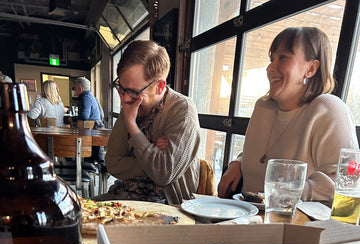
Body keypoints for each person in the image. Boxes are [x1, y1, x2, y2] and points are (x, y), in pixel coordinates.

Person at [218, 27, 359, 204]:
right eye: (272, 59)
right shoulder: (263, 107)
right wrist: (238, 162)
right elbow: (262, 154)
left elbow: (348, 180)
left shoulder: (326, 108)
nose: (269, 68)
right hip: (245, 219)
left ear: (311, 68)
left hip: (293, 225)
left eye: (283, 57)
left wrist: (282, 194)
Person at [104, 40, 201, 204]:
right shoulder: (130, 103)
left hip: (168, 207)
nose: (125, 98)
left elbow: (163, 174)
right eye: (121, 88)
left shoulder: (183, 111)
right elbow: (112, 163)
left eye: (134, 92)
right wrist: (151, 156)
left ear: (160, 87)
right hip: (125, 196)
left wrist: (132, 126)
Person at [72, 76, 106, 169]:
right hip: (97, 130)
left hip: (92, 131)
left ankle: (82, 170)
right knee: (97, 157)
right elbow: (102, 115)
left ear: (80, 88)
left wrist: (72, 119)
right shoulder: (92, 97)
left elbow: (84, 116)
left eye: (75, 87)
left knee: (78, 147)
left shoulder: (85, 98)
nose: (75, 90)